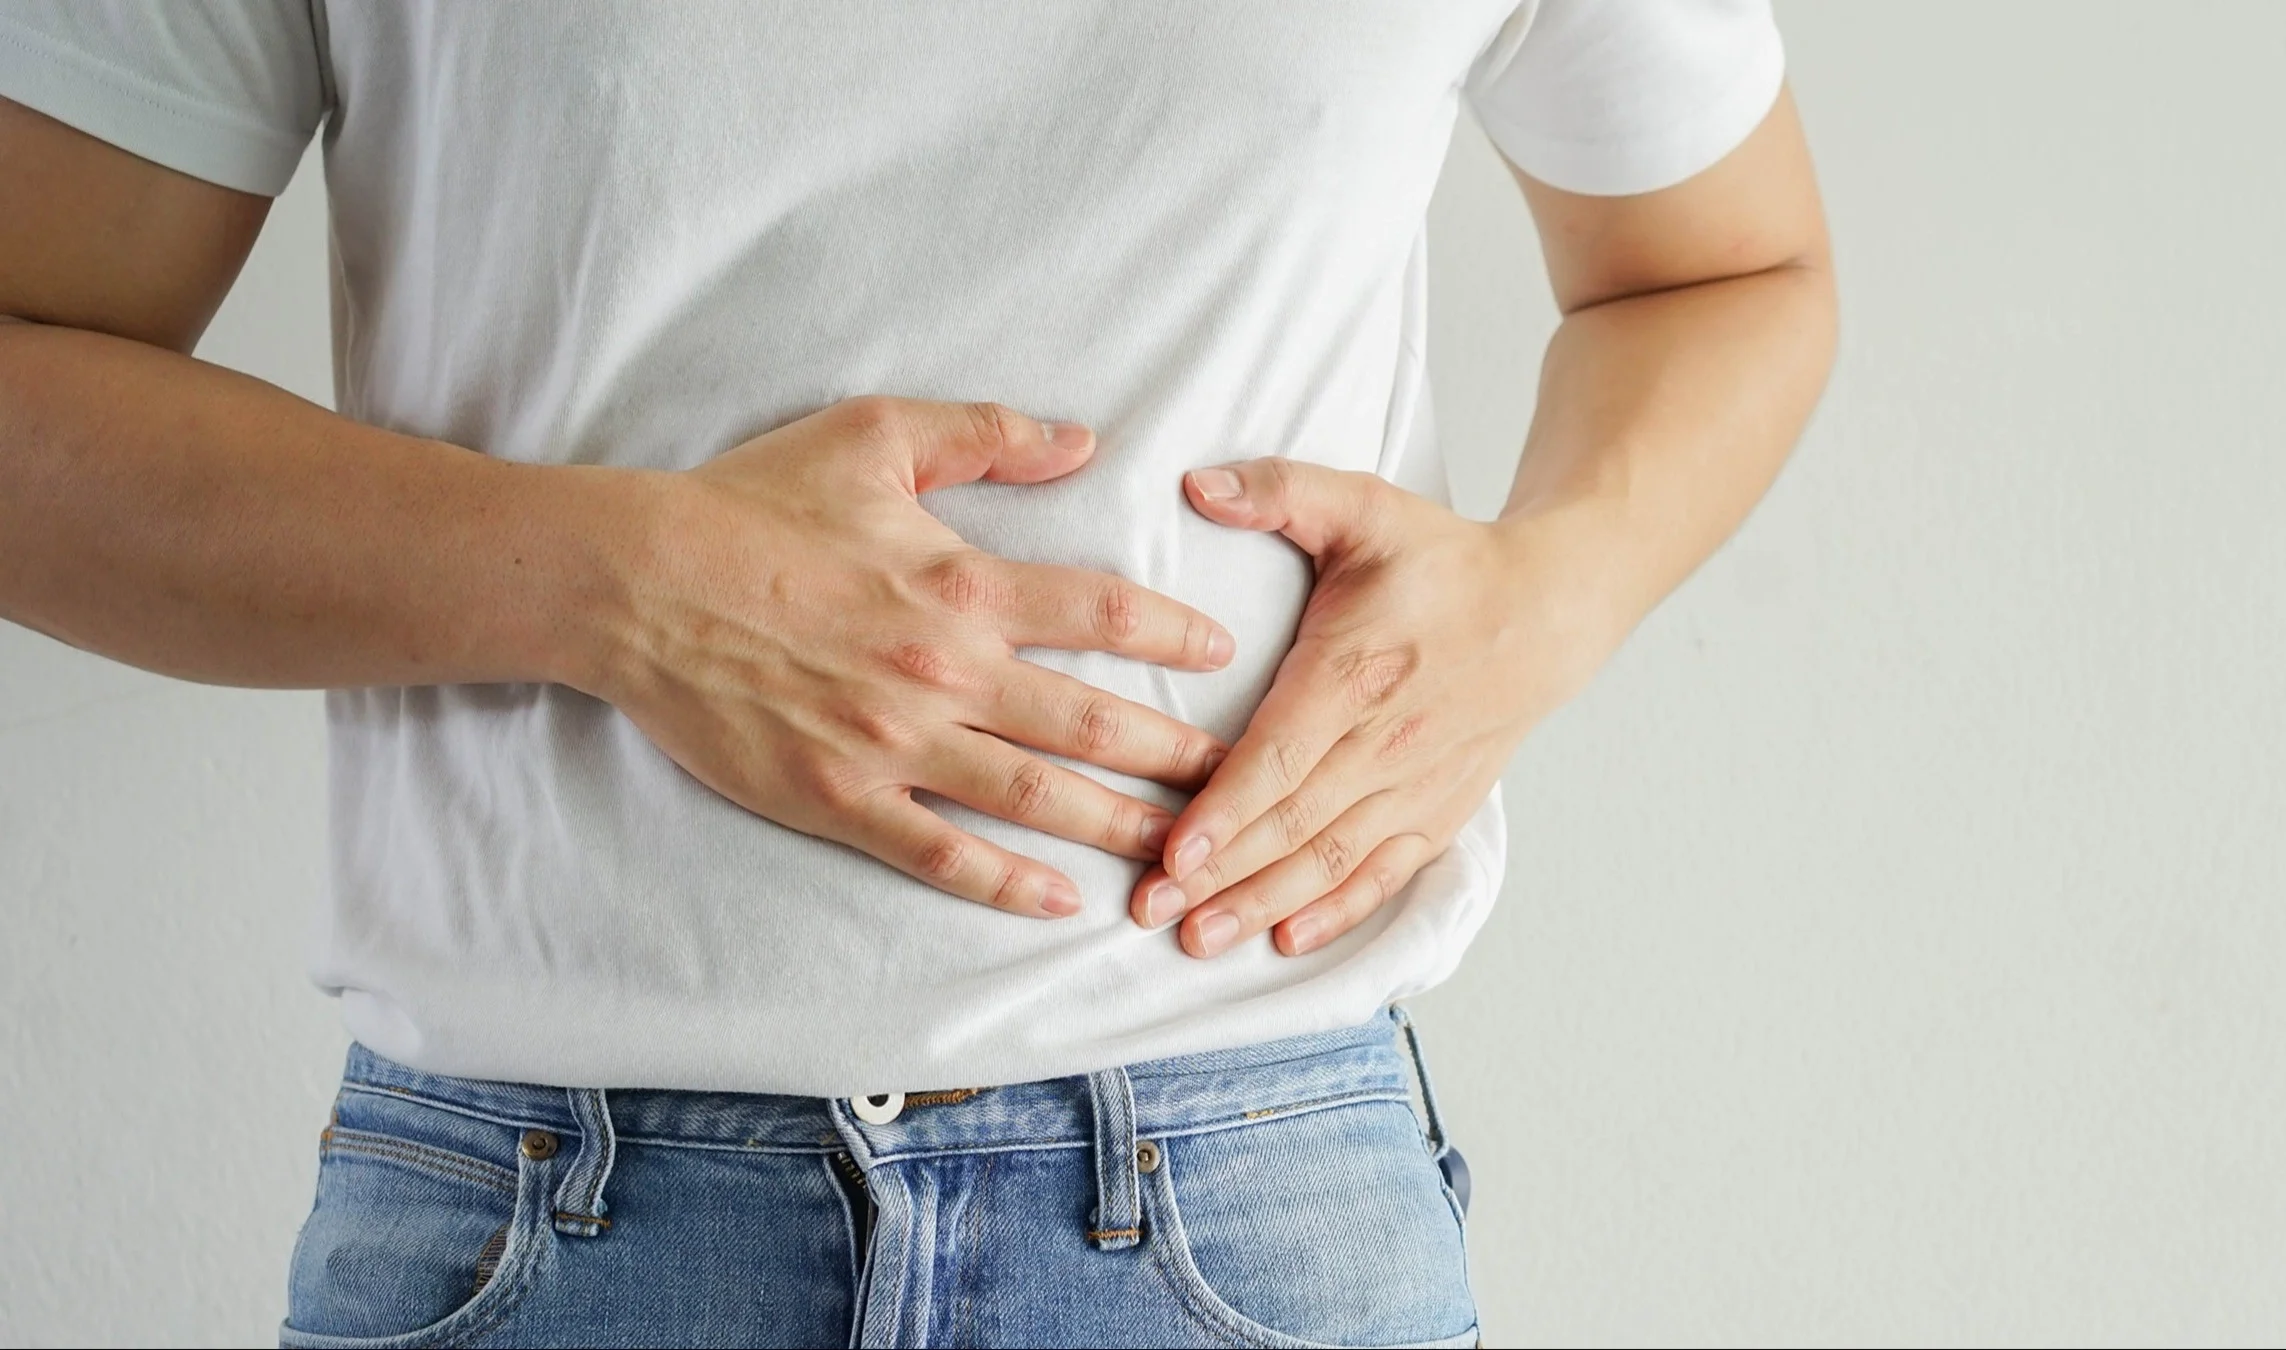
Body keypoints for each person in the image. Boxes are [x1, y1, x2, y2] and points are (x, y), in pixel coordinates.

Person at [0, 2, 1834, 1345]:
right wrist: (620, 588)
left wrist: (1540, 600)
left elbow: (1724, 270)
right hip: (546, 1213)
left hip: (1246, 1193)